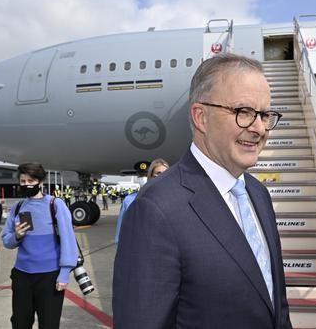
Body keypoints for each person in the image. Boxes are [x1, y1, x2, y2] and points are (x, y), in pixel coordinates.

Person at [113, 53, 291, 328]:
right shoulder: (157, 208)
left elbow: (275, 303)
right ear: (201, 117)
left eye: (265, 114)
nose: (258, 128)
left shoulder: (258, 194)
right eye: (243, 112)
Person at [2, 163, 78, 329]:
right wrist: (17, 236)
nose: (26, 184)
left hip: (49, 276)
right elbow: (6, 240)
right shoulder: (18, 207)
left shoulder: (55, 205)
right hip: (22, 275)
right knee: (20, 323)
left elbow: (68, 240)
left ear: (41, 182)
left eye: (31, 180)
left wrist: (64, 273)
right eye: (22, 181)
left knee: (49, 324)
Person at [114, 158, 169, 243]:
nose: (143, 178)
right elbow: (121, 227)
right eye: (140, 175)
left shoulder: (171, 198)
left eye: (145, 175)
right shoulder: (129, 200)